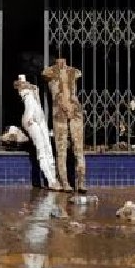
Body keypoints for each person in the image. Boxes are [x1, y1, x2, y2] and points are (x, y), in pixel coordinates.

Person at [41, 58, 86, 193]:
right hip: (58, 113)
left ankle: (81, 181)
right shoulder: (49, 72)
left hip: (75, 111)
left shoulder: (74, 72)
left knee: (78, 148)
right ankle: (64, 181)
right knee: (61, 149)